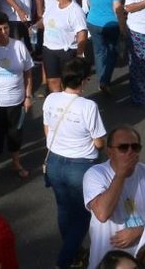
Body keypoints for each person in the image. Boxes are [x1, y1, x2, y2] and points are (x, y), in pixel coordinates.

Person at [45, 56, 107, 269]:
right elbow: (99, 142)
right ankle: (64, 260)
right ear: (82, 80)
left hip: (54, 162)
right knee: (82, 216)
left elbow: (48, 130)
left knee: (64, 209)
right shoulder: (88, 106)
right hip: (80, 166)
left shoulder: (50, 99)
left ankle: (74, 253)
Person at [85, 125, 145, 266]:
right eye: (123, 148)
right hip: (105, 261)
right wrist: (121, 175)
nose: (130, 152)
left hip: (140, 261)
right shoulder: (95, 174)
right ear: (109, 151)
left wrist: (140, 230)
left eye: (135, 147)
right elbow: (102, 214)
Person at [0, 11, 34, 179]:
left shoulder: (19, 46)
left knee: (15, 134)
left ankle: (16, 163)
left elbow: (28, 72)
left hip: (16, 100)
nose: (3, 32)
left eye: (5, 28)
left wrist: (28, 96)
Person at [87, 0, 125, 93]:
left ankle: (100, 78)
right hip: (111, 25)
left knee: (99, 52)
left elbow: (90, 4)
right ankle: (105, 81)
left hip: (93, 22)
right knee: (112, 53)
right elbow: (118, 10)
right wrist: (122, 28)